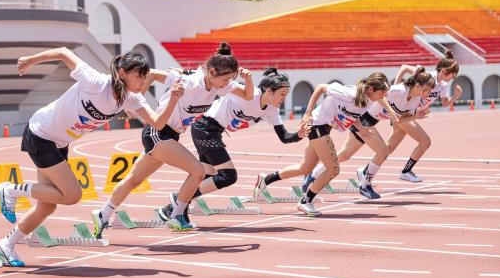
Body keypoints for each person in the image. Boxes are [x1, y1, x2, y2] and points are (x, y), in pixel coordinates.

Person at [0, 48, 183, 266]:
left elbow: (157, 123)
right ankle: (10, 190)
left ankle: (5, 245)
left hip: (59, 142)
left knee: (47, 206)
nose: (143, 81)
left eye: (145, 76)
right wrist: (30, 60)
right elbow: (64, 53)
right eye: (139, 75)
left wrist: (174, 99)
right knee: (72, 195)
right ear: (122, 72)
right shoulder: (95, 82)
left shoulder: (131, 99)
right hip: (41, 133)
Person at [92, 42, 253, 236]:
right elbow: (151, 73)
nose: (227, 83)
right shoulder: (190, 82)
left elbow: (247, 95)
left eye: (230, 80)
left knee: (134, 179)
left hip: (171, 135)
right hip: (157, 132)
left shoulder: (218, 87)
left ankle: (102, 214)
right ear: (212, 72)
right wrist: (135, 101)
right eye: (225, 79)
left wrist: (248, 79)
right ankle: (176, 215)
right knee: (198, 171)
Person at [158, 67, 308, 225]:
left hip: (215, 132)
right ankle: (178, 200)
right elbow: (217, 82)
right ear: (269, 91)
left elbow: (284, 137)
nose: (283, 99)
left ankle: (172, 208)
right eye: (282, 94)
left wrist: (299, 135)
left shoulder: (271, 111)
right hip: (205, 127)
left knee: (208, 176)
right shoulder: (248, 95)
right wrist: (189, 73)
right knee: (228, 176)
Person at [255, 73, 397, 216]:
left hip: (323, 127)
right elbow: (321, 88)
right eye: (382, 92)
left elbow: (352, 115)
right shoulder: (349, 93)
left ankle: (265, 180)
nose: (384, 95)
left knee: (305, 168)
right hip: (317, 125)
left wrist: (361, 130)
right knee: (333, 169)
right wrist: (308, 113)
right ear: (371, 89)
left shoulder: (367, 100)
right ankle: (306, 201)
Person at [299, 68, 434, 199]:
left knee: (344, 155)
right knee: (383, 151)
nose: (428, 94)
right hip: (363, 119)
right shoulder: (399, 90)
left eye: (430, 91)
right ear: (417, 85)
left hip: (366, 121)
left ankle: (313, 175)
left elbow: (400, 120)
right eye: (426, 90)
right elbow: (381, 94)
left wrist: (416, 116)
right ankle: (365, 183)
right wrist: (390, 110)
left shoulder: (415, 101)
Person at [391, 51, 461, 182]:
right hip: (405, 112)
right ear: (445, 71)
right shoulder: (426, 76)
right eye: (453, 75)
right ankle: (405, 171)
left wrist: (456, 96)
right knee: (425, 142)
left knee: (388, 148)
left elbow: (445, 103)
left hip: (410, 114)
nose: (453, 79)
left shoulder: (443, 85)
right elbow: (404, 67)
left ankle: (366, 171)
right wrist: (396, 86)